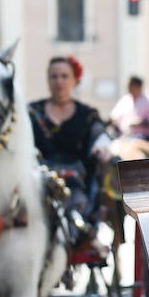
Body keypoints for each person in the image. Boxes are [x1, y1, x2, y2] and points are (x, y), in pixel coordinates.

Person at [28, 56, 111, 232]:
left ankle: (79, 228)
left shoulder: (87, 114)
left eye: (64, 76)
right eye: (54, 76)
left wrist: (102, 145)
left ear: (74, 80)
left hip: (75, 182)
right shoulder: (32, 112)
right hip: (39, 180)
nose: (59, 81)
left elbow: (98, 132)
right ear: (48, 80)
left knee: (76, 202)